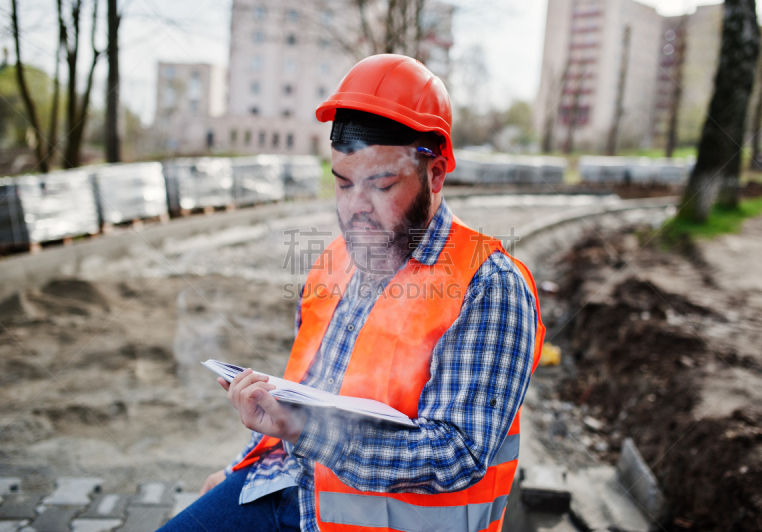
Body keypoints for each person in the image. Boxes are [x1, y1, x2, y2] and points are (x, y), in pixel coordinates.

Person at [160, 54, 544, 532]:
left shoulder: (490, 286)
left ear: (436, 174)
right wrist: (240, 468)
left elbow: (455, 454)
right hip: (291, 489)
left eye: (381, 186)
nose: (356, 208)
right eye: (343, 184)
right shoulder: (335, 262)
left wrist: (308, 432)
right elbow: (307, 394)